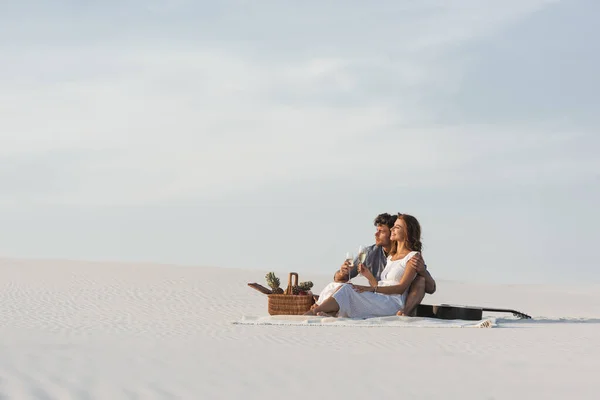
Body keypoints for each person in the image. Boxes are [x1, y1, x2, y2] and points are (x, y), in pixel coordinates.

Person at [306, 213, 428, 318]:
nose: (392, 230)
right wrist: (368, 277)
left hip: (392, 303)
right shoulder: (392, 256)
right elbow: (381, 284)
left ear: (406, 232)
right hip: (380, 297)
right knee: (339, 286)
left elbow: (401, 288)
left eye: (396, 227)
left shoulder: (413, 257)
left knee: (347, 290)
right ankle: (329, 311)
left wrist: (371, 289)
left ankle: (314, 311)